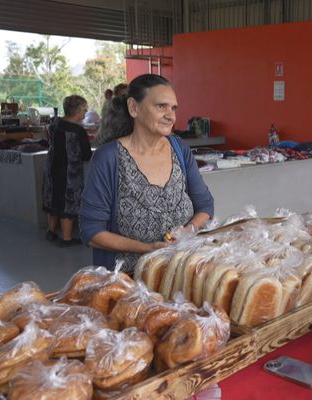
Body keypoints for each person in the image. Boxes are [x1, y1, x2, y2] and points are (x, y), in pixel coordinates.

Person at [79, 74, 214, 272]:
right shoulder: (109, 158)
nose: (171, 116)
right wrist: (147, 249)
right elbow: (92, 232)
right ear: (134, 108)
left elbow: (205, 205)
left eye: (173, 108)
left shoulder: (179, 149)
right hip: (128, 282)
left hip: (180, 273)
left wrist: (188, 231)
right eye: (161, 106)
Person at [42, 95, 92, 246]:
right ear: (77, 110)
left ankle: (51, 231)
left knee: (53, 198)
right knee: (68, 202)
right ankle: (67, 238)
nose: (85, 113)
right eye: (84, 109)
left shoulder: (54, 123)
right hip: (70, 171)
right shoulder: (78, 131)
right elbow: (86, 154)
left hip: (51, 167)